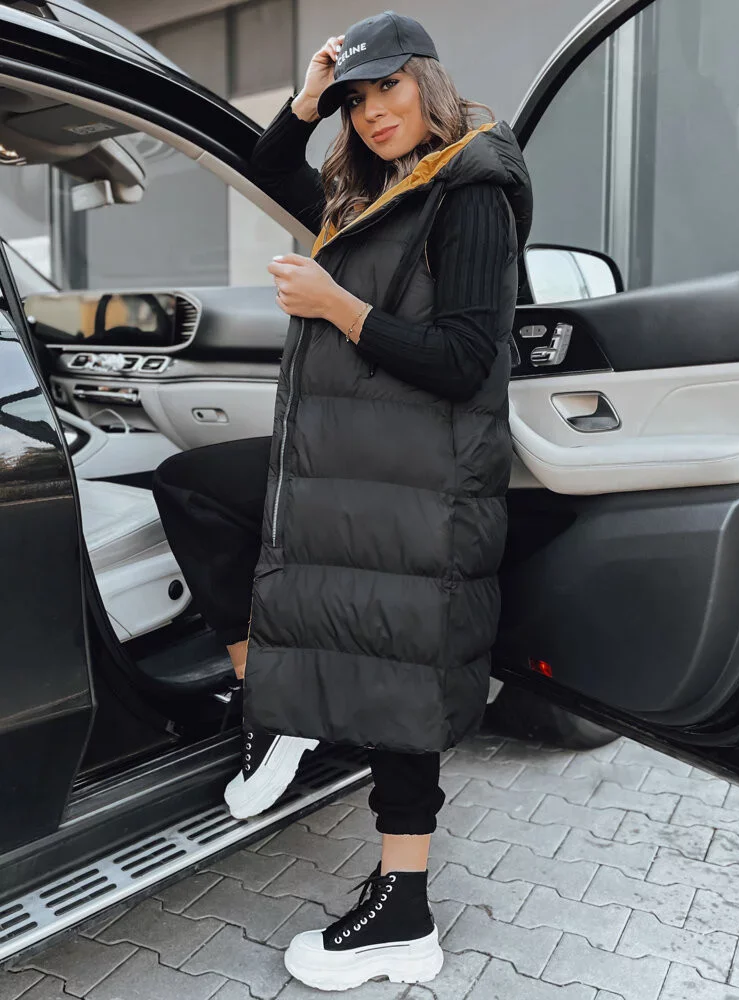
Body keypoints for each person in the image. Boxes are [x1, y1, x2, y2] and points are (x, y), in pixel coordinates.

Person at [154, 10, 531, 991]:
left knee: (399, 675)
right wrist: (307, 97)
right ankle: (273, 708)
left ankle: (403, 915)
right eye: (356, 101)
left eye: (387, 89)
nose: (370, 114)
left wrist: (337, 307)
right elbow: (270, 167)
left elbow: (465, 359)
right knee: (195, 490)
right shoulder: (371, 192)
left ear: (429, 81)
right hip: (352, 462)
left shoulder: (473, 188)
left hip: (426, 476)